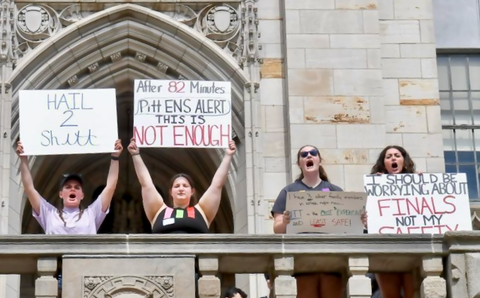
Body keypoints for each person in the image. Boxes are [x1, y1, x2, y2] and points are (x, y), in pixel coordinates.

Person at [271, 145, 367, 298]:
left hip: (332, 260)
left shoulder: (335, 191)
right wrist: (285, 222)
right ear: (299, 163)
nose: (309, 156)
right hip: (302, 260)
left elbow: (350, 227)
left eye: (313, 153)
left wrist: (360, 220)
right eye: (304, 155)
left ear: (319, 160)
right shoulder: (288, 191)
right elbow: (277, 228)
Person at [127, 138, 236, 233]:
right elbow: (146, 184)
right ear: (171, 192)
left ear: (192, 191)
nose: (181, 188)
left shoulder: (203, 211)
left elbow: (217, 185)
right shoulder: (158, 211)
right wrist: (135, 155)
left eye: (185, 185)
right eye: (177, 186)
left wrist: (228, 155)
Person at [16, 139, 123, 234]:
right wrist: (23, 159)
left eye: (77, 187)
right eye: (67, 187)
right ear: (61, 194)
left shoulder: (91, 214)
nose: (72, 189)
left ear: (82, 195)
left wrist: (115, 157)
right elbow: (29, 188)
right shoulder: (49, 214)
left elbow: (110, 187)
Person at [369, 145, 417, 298]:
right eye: (388, 157)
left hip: (412, 249)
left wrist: (422, 184)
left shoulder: (419, 184)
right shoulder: (374, 186)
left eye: (397, 155)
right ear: (384, 163)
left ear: (404, 161)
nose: (393, 158)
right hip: (385, 250)